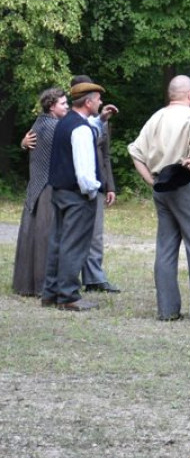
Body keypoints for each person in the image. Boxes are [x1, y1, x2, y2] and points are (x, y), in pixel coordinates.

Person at [127, 75, 190, 323]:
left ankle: (168, 310)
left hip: (163, 185)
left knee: (166, 248)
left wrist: (151, 181)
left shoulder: (156, 117)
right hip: (189, 183)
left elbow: (135, 152)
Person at [41, 80, 107, 311]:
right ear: (88, 102)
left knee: (57, 243)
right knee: (74, 245)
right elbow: (84, 171)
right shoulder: (80, 129)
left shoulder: (66, 122)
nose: (100, 102)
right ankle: (68, 295)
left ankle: (50, 293)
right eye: (98, 99)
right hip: (77, 195)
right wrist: (93, 189)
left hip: (59, 192)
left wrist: (101, 121)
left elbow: (92, 127)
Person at [12, 88, 68, 296]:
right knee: (46, 235)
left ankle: (25, 284)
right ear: (52, 106)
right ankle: (44, 285)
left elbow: (31, 144)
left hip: (35, 186)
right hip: (46, 187)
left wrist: (22, 144)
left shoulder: (39, 122)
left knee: (31, 235)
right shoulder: (54, 126)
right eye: (63, 103)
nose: (67, 106)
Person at [71, 74, 121, 293]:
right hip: (73, 185)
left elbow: (105, 155)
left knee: (96, 234)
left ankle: (94, 278)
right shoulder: (68, 120)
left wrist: (109, 185)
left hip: (96, 182)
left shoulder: (99, 121)